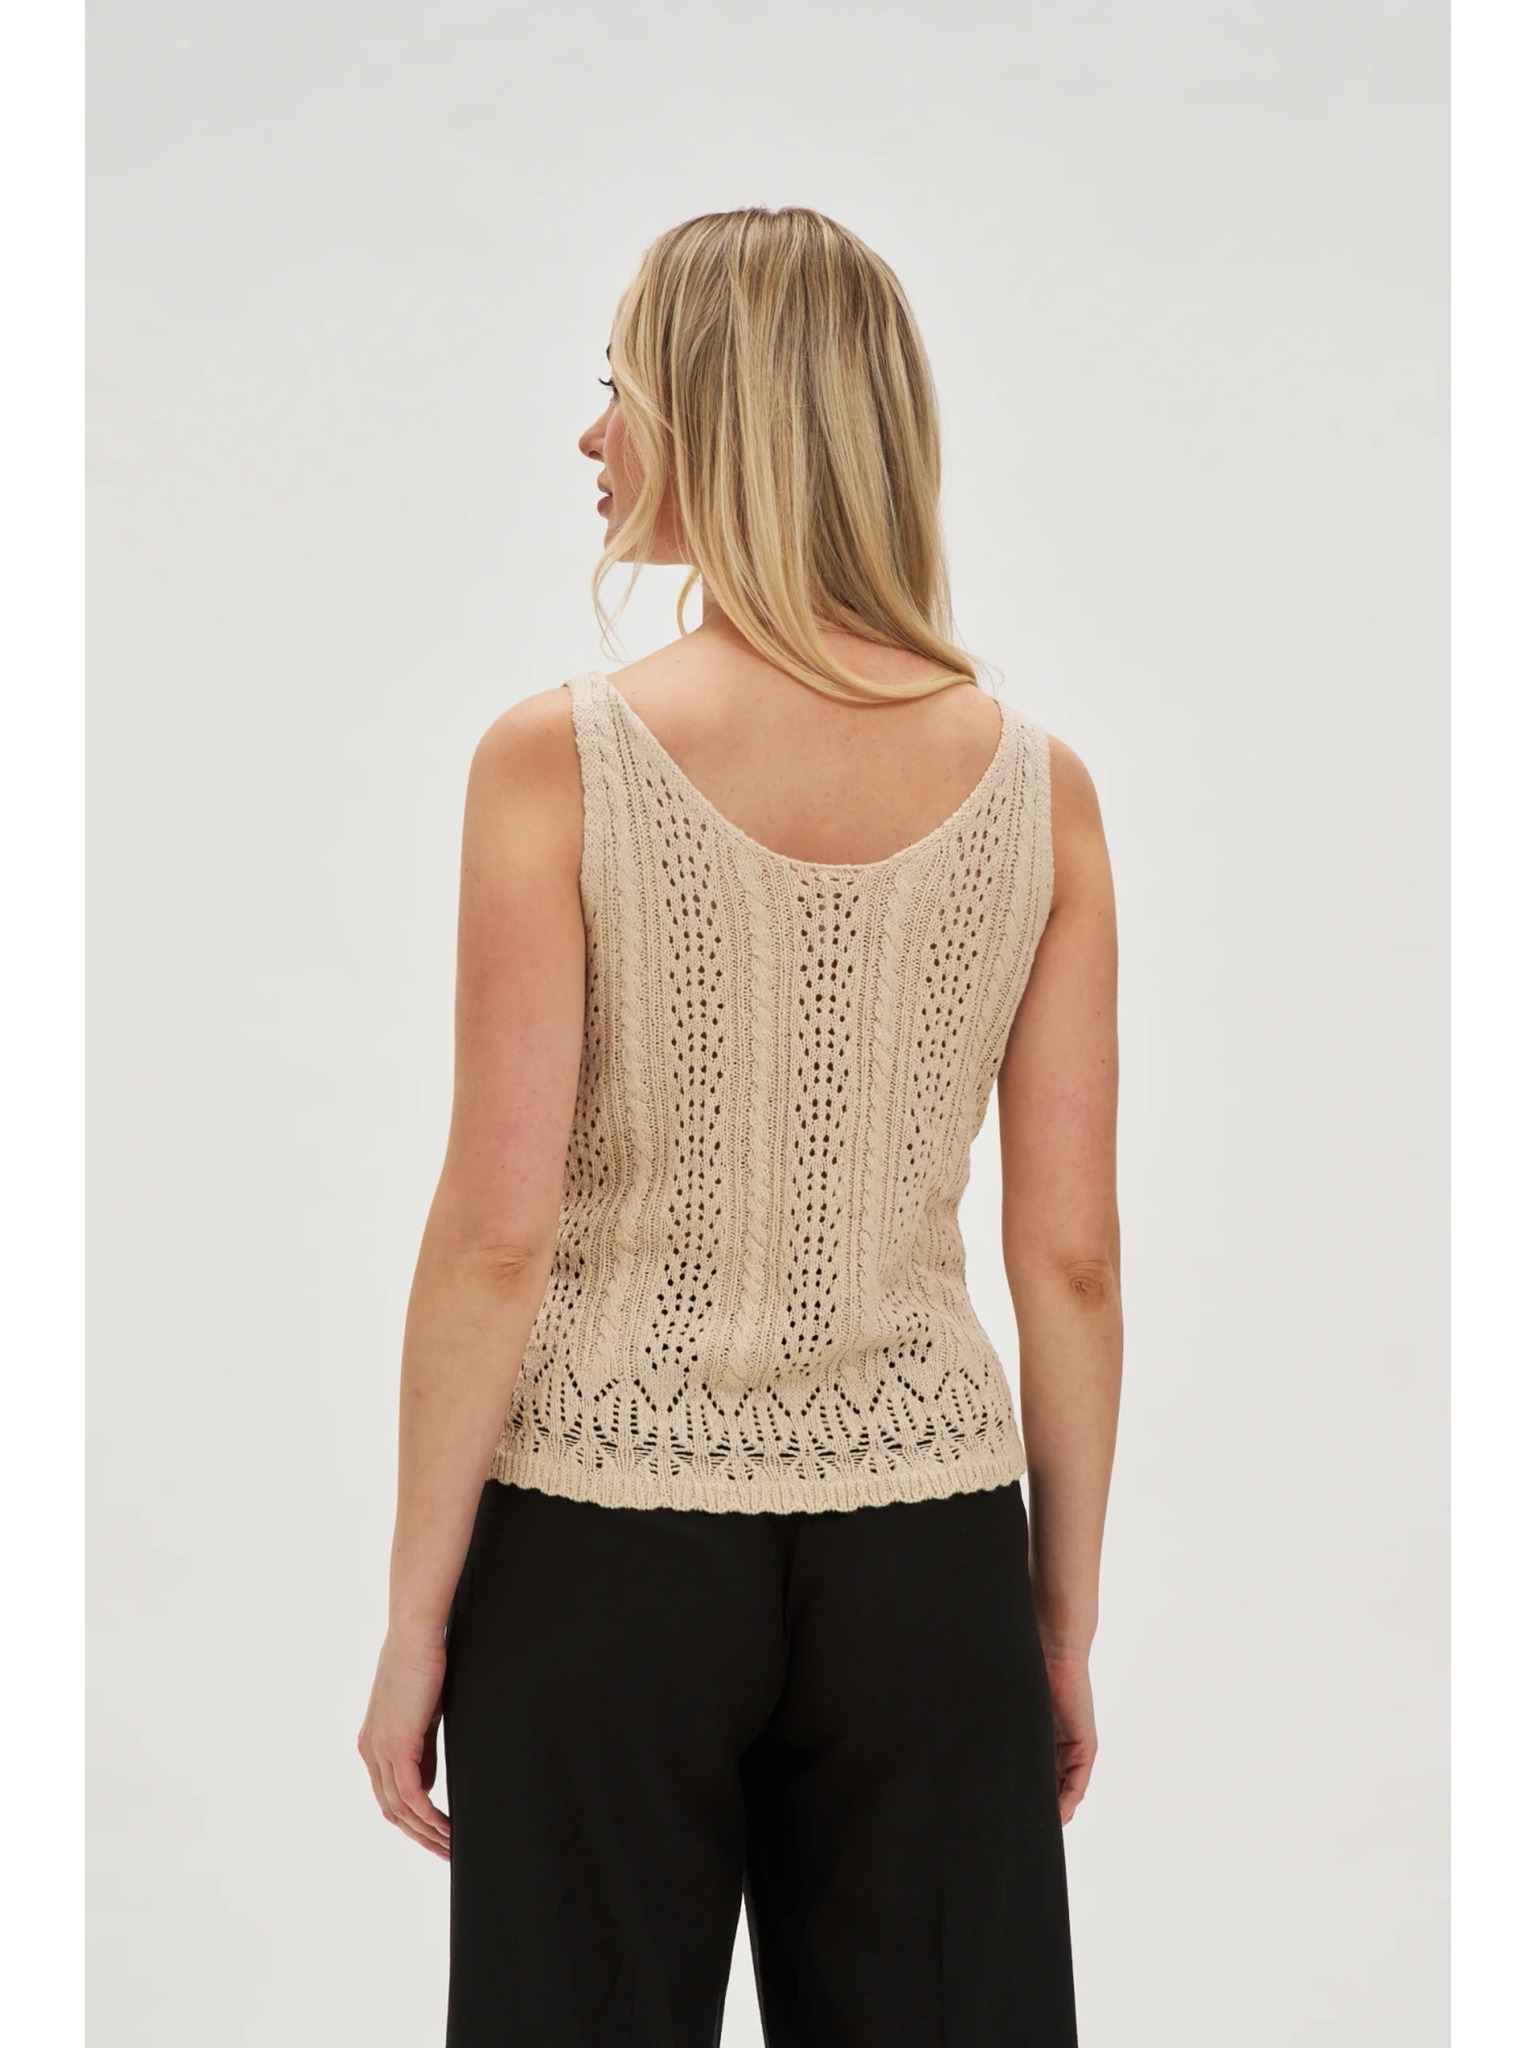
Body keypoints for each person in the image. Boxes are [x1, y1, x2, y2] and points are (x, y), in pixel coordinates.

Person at [358, 205, 1122, 2048]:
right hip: (929, 1550)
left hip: (597, 1540)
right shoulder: (1041, 792)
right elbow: (1073, 1262)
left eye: (619, 386)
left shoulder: (558, 759)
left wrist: (415, 1617)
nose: (592, 432)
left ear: (722, 415)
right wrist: (1056, 1619)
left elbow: (498, 1232)